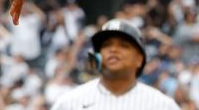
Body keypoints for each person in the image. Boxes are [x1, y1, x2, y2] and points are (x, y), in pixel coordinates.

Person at [50, 20, 180, 109]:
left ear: (140, 59)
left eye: (124, 45)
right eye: (106, 45)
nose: (113, 50)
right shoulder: (70, 103)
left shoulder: (162, 105)